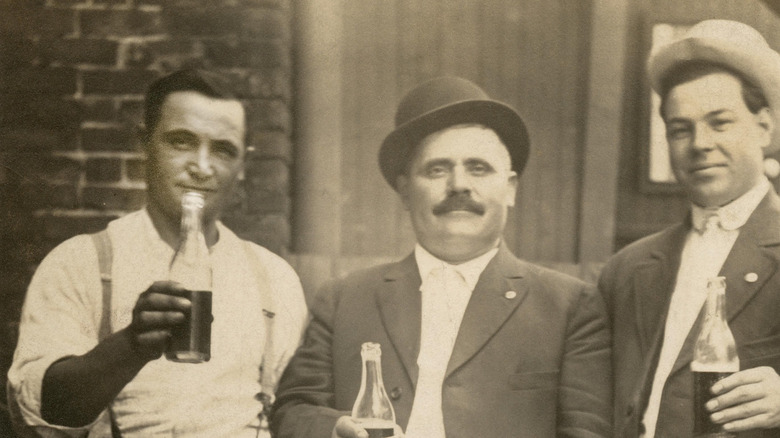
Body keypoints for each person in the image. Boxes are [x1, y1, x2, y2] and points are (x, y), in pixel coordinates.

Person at [270, 76, 612, 438]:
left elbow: (587, 433)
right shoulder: (342, 300)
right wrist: (335, 429)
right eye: (437, 169)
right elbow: (293, 412)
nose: (459, 185)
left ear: (510, 189)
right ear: (405, 191)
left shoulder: (571, 307)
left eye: (478, 168)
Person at [7, 69, 308, 437]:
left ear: (243, 165)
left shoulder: (274, 279)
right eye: (181, 141)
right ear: (144, 144)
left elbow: (298, 411)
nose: (201, 166)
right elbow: (41, 409)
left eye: (223, 149)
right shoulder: (80, 263)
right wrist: (130, 345)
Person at [599, 20, 780, 438]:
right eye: (681, 129)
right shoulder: (625, 270)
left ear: (764, 126)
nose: (699, 143)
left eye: (720, 122)